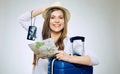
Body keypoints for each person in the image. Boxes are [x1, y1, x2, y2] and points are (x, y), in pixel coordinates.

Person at [18, 2, 99, 74]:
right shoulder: (39, 33)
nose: (57, 21)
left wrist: (68, 58)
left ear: (64, 21)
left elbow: (95, 60)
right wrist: (43, 9)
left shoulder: (70, 43)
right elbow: (21, 19)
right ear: (47, 21)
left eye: (60, 17)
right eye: (52, 17)